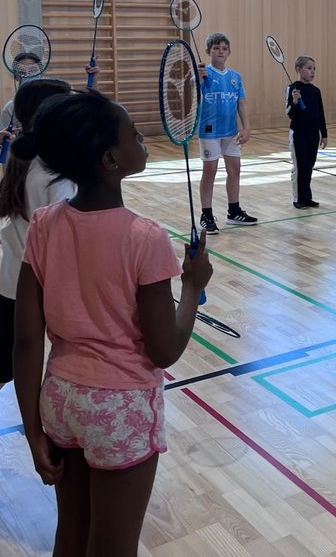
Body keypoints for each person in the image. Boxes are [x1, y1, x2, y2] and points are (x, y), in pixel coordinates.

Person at [13, 90, 213, 555]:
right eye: (135, 135)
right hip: (119, 411)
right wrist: (192, 286)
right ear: (110, 159)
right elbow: (165, 350)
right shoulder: (146, 238)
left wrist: (32, 430)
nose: (143, 139)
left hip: (60, 400)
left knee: (73, 534)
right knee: (113, 546)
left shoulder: (43, 224)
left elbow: (26, 341)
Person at [0, 79, 74, 390]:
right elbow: (62, 246)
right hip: (37, 289)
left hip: (11, 281)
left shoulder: (25, 158)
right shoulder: (54, 176)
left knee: (11, 365)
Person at [197, 33, 256, 232]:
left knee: (235, 170)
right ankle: (206, 214)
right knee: (210, 171)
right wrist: (196, 79)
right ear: (208, 51)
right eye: (216, 48)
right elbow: (190, 93)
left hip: (230, 132)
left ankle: (234, 212)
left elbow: (241, 103)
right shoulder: (203, 73)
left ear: (229, 52)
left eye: (224, 48)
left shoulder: (235, 77)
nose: (220, 51)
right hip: (209, 132)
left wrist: (246, 127)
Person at [286, 55, 328, 209]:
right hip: (298, 134)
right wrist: (295, 101)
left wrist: (324, 134)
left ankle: (307, 197)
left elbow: (320, 113)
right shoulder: (292, 89)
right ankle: (298, 199)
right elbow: (289, 112)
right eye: (309, 68)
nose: (312, 72)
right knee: (299, 167)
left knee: (309, 166)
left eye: (314, 69)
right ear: (298, 69)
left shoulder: (315, 91)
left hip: (313, 135)